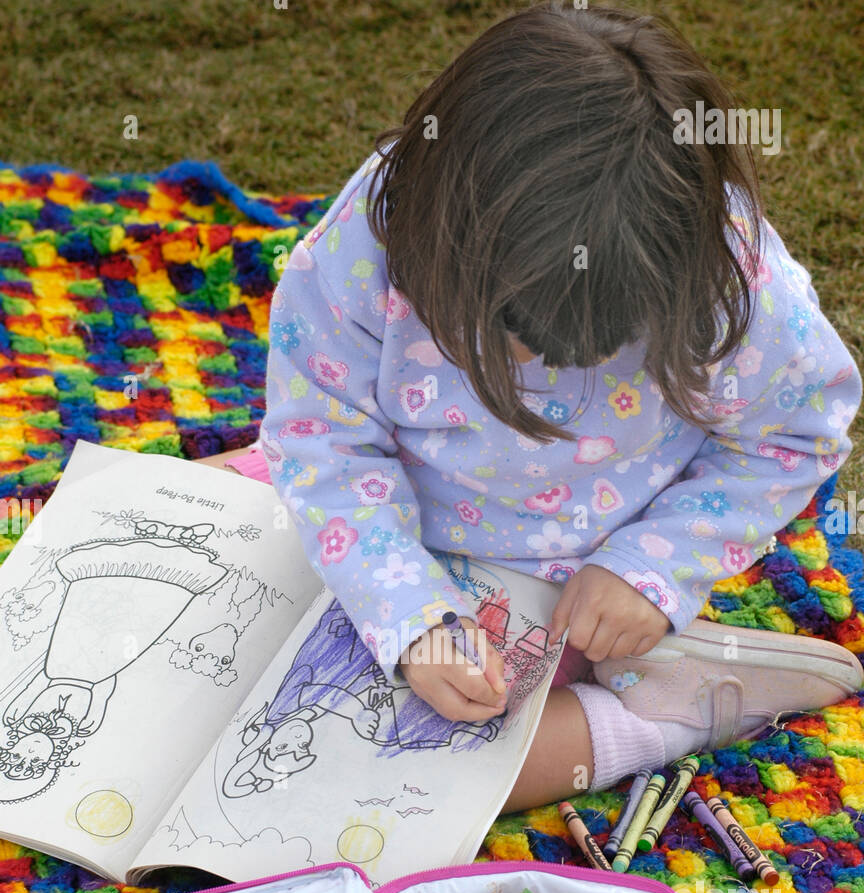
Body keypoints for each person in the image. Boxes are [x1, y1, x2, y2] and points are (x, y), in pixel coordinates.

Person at [238, 2, 862, 812]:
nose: (530, 366)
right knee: (219, 561)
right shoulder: (371, 247)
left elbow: (793, 435)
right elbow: (320, 438)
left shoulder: (731, 293)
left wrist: (651, 568)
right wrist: (411, 615)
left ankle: (664, 712)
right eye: (504, 330)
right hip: (401, 536)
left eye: (591, 348)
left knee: (375, 765)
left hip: (562, 592)